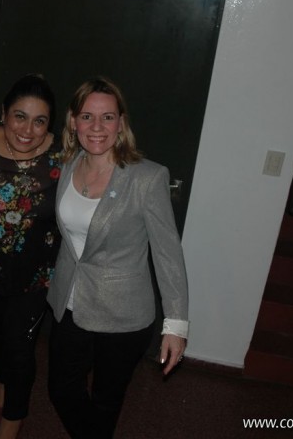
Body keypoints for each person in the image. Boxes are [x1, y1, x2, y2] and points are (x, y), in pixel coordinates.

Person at [47, 77, 189, 439]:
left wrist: (175, 325)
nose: (97, 127)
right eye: (87, 117)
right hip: (69, 302)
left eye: (107, 117)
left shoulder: (147, 178)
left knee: (106, 400)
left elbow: (168, 253)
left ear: (121, 123)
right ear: (73, 122)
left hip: (123, 313)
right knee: (61, 389)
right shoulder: (67, 164)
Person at [0, 74, 61, 439]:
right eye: (20, 116)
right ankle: (1, 382)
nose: (28, 130)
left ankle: (10, 426)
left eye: (39, 121)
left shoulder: (63, 154)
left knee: (20, 351)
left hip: (34, 276)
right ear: (3, 113)